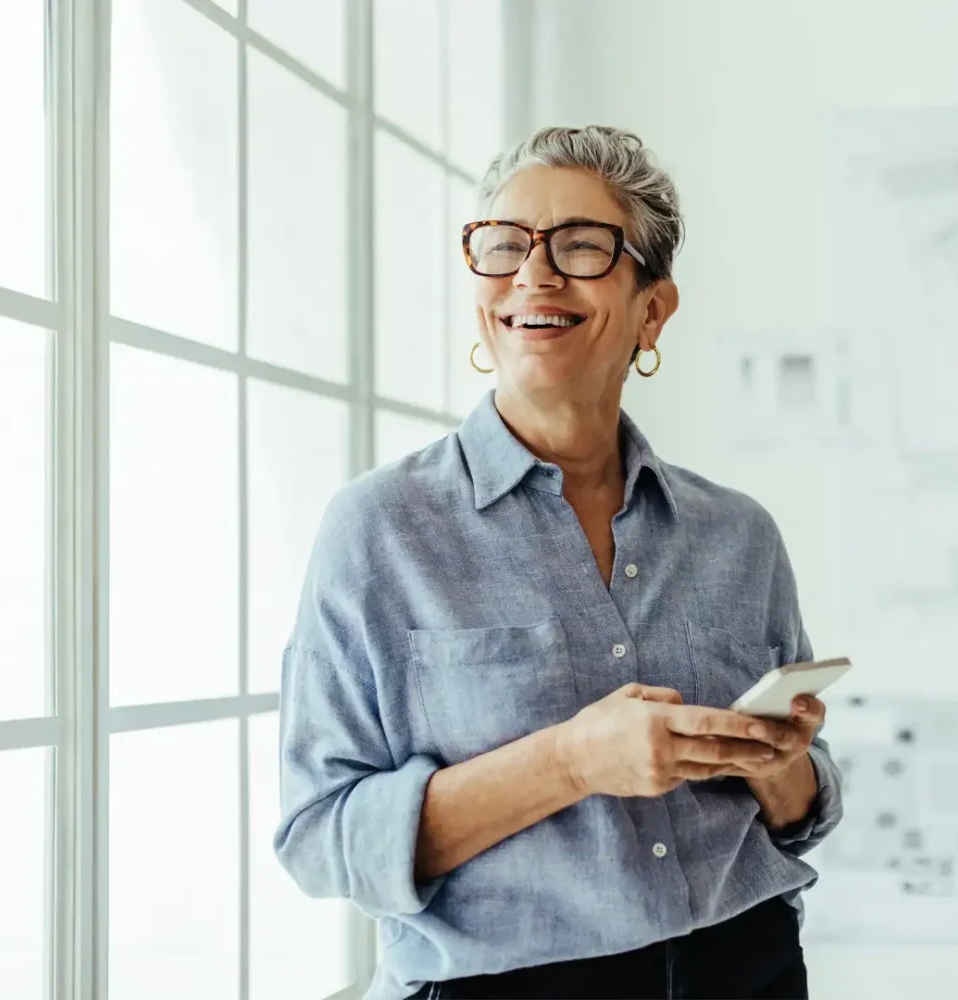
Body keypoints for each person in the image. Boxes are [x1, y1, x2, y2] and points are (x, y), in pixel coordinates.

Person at [274, 125, 843, 1000]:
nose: (534, 274)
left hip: (749, 966)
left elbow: (799, 816)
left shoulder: (740, 536)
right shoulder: (380, 530)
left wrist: (777, 764)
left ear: (653, 309)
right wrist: (572, 762)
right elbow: (321, 840)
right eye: (505, 246)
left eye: (581, 247)